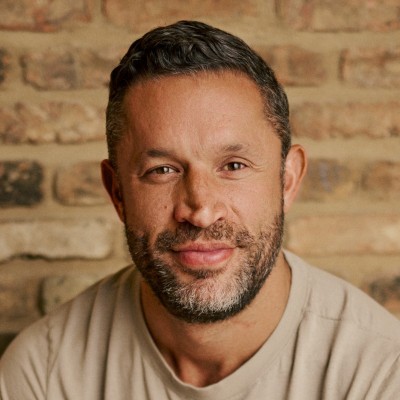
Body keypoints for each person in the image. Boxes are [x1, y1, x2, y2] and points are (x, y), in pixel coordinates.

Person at [1, 20, 399, 400]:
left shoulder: (379, 372)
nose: (201, 212)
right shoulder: (44, 374)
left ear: (288, 180)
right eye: (162, 170)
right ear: (117, 192)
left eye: (234, 166)